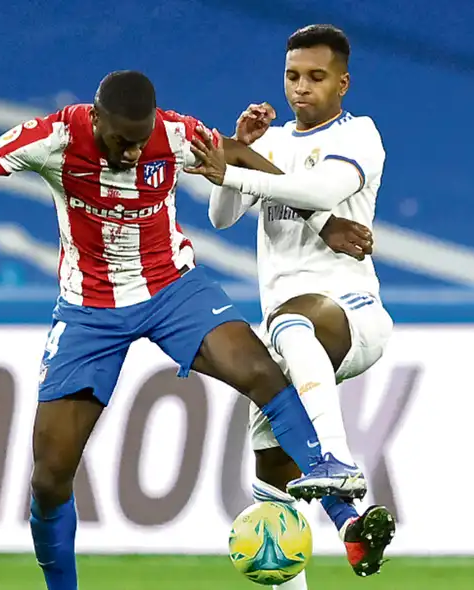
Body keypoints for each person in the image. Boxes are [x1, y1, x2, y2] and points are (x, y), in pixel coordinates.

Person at [0, 70, 368, 590]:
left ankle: (346, 517)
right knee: (50, 478)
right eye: (121, 140)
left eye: (139, 140)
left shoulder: (169, 133)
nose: (130, 151)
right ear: (95, 119)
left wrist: (325, 220)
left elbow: (240, 154)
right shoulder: (54, 137)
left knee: (263, 374)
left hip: (173, 288)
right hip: (89, 311)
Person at [186, 25, 395, 579]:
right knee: (274, 501)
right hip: (284, 339)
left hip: (348, 312)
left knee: (293, 319)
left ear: (343, 83)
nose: (301, 88)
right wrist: (246, 149)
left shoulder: (360, 135)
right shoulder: (273, 142)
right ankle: (352, 526)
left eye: (316, 77)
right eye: (292, 76)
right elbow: (221, 217)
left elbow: (321, 192)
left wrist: (234, 166)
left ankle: (336, 460)